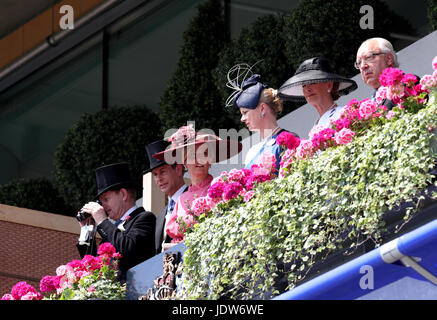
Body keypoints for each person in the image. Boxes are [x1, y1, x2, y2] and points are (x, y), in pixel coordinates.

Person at [153, 124, 242, 246]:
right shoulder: (181, 199)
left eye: (204, 154)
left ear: (210, 160)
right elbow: (174, 233)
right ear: (184, 163)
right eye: (193, 156)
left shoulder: (220, 187)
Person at [76, 162, 156, 283]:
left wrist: (103, 221)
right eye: (100, 202)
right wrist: (86, 230)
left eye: (106, 199)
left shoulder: (144, 218)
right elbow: (93, 265)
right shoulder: (112, 230)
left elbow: (126, 249)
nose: (103, 206)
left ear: (123, 194)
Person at [226, 65, 298, 172]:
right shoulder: (252, 151)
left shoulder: (288, 140)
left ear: (262, 109)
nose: (242, 119)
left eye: (245, 112)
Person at [278, 57, 357, 128]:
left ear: (329, 85)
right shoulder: (316, 126)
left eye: (313, 82)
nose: (307, 89)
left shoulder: (344, 114)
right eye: (304, 86)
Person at [144, 140, 187, 254]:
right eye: (155, 175)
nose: (159, 179)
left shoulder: (193, 200)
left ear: (178, 169)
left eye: (162, 172)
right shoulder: (160, 216)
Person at [355, 37, 399, 109]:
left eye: (369, 57)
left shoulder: (408, 86)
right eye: (359, 63)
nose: (363, 66)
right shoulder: (369, 108)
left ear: (389, 59)